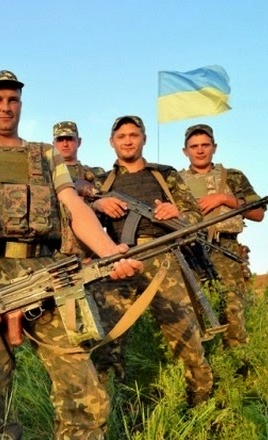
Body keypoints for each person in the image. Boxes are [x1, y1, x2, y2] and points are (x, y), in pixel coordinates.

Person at [0, 70, 142, 440]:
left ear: (21, 104)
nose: (6, 107)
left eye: (12, 100)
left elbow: (75, 208)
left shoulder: (48, 155)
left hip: (49, 275)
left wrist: (110, 254)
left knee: (83, 390)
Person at [90, 115, 214, 406]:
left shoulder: (165, 175)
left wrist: (176, 213)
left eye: (134, 135)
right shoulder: (102, 182)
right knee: (107, 340)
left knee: (186, 335)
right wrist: (98, 204)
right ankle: (106, 409)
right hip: (119, 260)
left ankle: (201, 403)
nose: (128, 141)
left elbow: (195, 216)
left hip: (164, 259)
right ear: (112, 142)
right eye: (121, 137)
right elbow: (82, 221)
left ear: (144, 139)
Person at [179, 124, 265, 348]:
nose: (200, 150)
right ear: (185, 151)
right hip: (188, 250)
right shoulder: (175, 180)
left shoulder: (233, 177)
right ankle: (198, 361)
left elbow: (258, 213)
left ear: (214, 147)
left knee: (232, 307)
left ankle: (236, 359)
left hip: (224, 249)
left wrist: (224, 199)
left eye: (205, 145)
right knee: (188, 309)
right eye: (194, 146)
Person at [52, 120, 105, 198]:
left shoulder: (96, 173)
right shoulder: (47, 174)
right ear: (54, 144)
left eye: (69, 139)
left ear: (79, 142)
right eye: (60, 140)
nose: (65, 144)